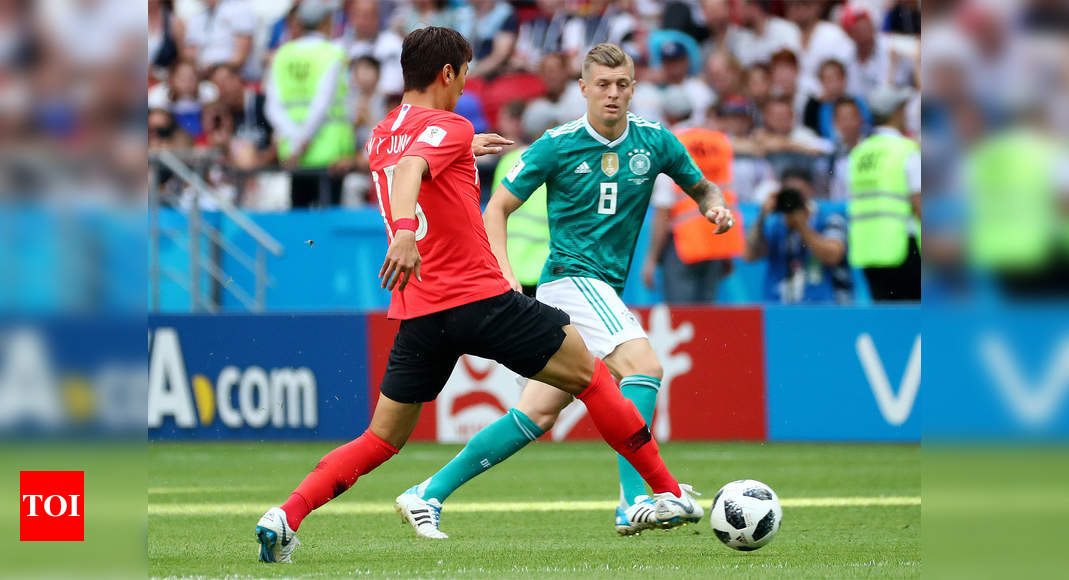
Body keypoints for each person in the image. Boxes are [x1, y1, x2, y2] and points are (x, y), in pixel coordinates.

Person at [253, 28, 701, 563]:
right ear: (447, 74)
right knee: (595, 377)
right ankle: (667, 494)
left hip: (420, 311)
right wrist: (402, 231)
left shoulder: (381, 132)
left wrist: (463, 149)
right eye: (464, 73)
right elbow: (413, 168)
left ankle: (286, 515)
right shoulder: (447, 123)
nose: (467, 85)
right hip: (478, 298)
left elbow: (409, 154)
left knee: (381, 439)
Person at [393, 43, 731, 539]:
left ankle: (427, 493)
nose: (612, 95)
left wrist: (714, 208)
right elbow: (496, 208)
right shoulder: (557, 143)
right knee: (645, 367)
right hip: (569, 280)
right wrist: (504, 272)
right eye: (602, 86)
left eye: (622, 85)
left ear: (633, 88)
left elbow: (701, 187)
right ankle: (636, 500)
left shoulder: (656, 141)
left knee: (538, 412)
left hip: (601, 287)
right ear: (584, 89)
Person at [643, 86, 742, 303]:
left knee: (684, 319)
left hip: (684, 244)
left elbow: (663, 208)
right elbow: (726, 192)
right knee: (706, 320)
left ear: (667, 115)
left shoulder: (671, 144)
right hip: (716, 240)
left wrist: (650, 259)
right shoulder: (719, 141)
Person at [264, 0, 354, 207]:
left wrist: (295, 144)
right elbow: (321, 105)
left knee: (300, 221)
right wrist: (301, 142)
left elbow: (272, 107)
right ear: (325, 21)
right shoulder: (333, 53)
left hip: (293, 153)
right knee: (328, 225)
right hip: (329, 153)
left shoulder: (282, 54)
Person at [847, 85, 921, 301]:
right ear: (897, 111)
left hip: (868, 249)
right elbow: (920, 205)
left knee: (886, 320)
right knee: (912, 321)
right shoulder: (905, 151)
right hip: (902, 248)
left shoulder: (858, 154)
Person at [745, 167, 853, 304]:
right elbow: (749, 256)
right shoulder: (776, 223)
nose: (793, 200)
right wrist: (762, 217)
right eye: (788, 193)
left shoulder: (829, 219)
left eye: (798, 193)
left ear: (811, 190)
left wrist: (802, 227)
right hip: (780, 305)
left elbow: (832, 255)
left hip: (825, 305)